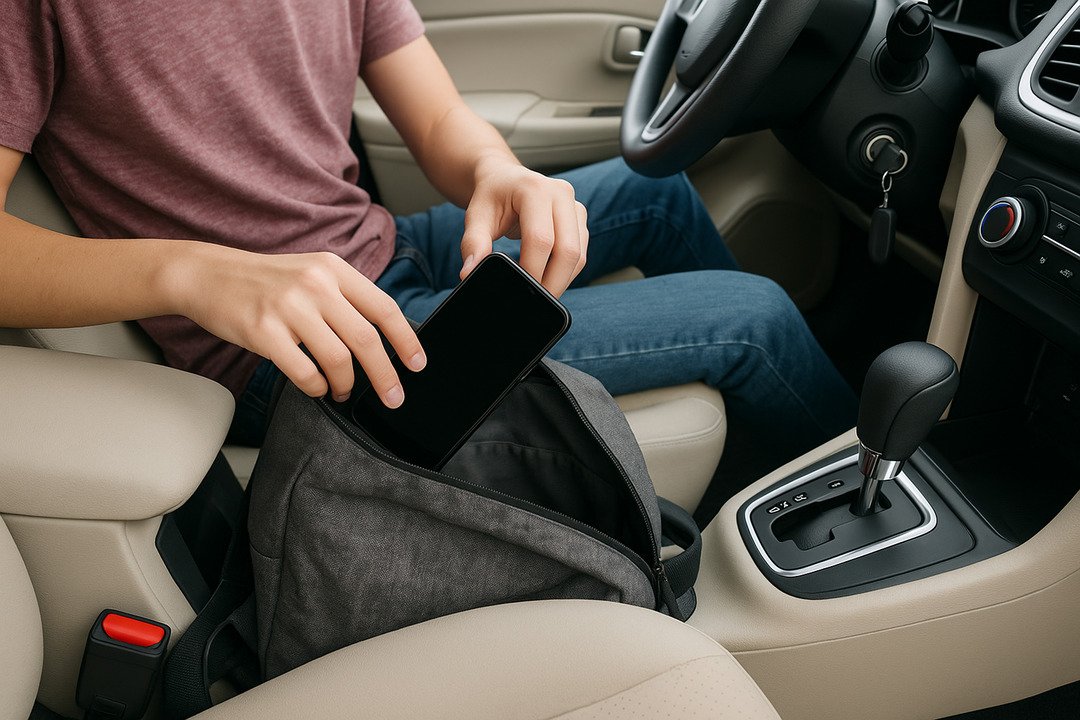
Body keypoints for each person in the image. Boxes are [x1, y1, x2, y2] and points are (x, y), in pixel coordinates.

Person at [0, 0, 855, 511]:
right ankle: (870, 520)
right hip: (299, 350)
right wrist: (188, 272)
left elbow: (441, 123)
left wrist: (499, 173)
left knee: (658, 196)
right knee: (756, 323)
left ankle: (753, 475)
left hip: (384, 247)